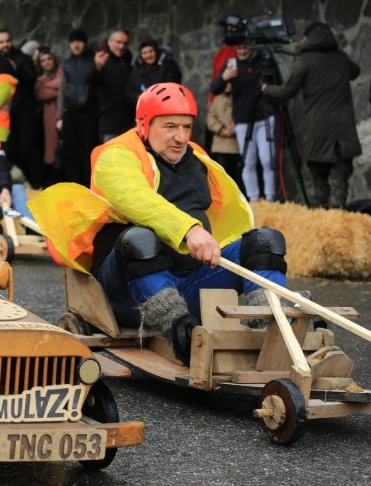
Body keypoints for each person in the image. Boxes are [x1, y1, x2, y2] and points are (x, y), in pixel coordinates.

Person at [57, 83, 285, 364]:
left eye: (187, 127)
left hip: (190, 282)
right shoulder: (115, 156)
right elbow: (136, 198)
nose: (181, 137)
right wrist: (189, 230)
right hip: (128, 292)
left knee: (265, 242)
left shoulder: (197, 157)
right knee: (140, 239)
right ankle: (181, 332)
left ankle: (272, 325)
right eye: (170, 126)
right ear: (143, 124)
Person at [262, 22, 361, 209]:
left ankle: (322, 223)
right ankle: (338, 220)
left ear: (308, 39)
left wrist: (267, 89)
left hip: (318, 132)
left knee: (318, 182)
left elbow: (287, 91)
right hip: (344, 133)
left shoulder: (305, 61)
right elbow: (355, 72)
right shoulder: (341, 59)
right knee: (340, 182)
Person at [210, 39, 277, 202]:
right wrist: (224, 77)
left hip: (264, 116)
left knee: (268, 158)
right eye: (239, 47)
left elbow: (276, 83)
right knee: (249, 161)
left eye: (246, 47)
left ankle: (270, 198)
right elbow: (215, 88)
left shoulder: (261, 61)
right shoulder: (231, 64)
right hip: (243, 119)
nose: (243, 50)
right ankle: (253, 199)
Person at [56, 29, 106, 186]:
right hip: (70, 113)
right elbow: (62, 90)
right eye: (73, 41)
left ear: (84, 43)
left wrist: (97, 67)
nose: (76, 45)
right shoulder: (67, 63)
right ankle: (74, 186)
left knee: (89, 152)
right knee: (69, 153)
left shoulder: (94, 59)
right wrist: (59, 116)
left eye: (79, 41)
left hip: (89, 113)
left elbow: (99, 84)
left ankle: (90, 187)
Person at [0, 28, 40, 188]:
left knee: (29, 147)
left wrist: (16, 69)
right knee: (10, 150)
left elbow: (32, 79)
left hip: (25, 110)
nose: (5, 45)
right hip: (5, 113)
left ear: (11, 41)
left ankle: (35, 183)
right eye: (1, 42)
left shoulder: (23, 58)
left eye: (7, 41)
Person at [97, 29, 133, 142]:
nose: (122, 46)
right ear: (109, 42)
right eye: (118, 42)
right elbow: (89, 81)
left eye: (125, 43)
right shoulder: (101, 60)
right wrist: (96, 68)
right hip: (109, 122)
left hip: (128, 122)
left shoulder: (129, 62)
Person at [207, 83, 244, 192]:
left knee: (237, 180)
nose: (228, 85)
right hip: (219, 146)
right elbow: (210, 117)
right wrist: (220, 129)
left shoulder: (241, 99)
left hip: (236, 147)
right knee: (221, 180)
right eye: (226, 83)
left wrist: (231, 130)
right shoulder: (218, 99)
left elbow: (244, 117)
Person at [125, 38, 182, 108]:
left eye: (151, 51)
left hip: (165, 108)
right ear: (141, 55)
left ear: (156, 51)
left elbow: (172, 86)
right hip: (144, 110)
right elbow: (128, 91)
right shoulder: (136, 69)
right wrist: (138, 97)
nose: (148, 55)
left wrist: (151, 94)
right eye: (144, 53)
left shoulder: (169, 65)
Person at [35, 49, 62, 185]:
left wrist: (50, 87)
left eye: (49, 59)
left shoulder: (63, 73)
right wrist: (59, 89)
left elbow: (65, 87)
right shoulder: (40, 81)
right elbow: (40, 94)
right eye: (43, 61)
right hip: (49, 117)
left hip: (65, 114)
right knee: (51, 147)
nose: (47, 63)